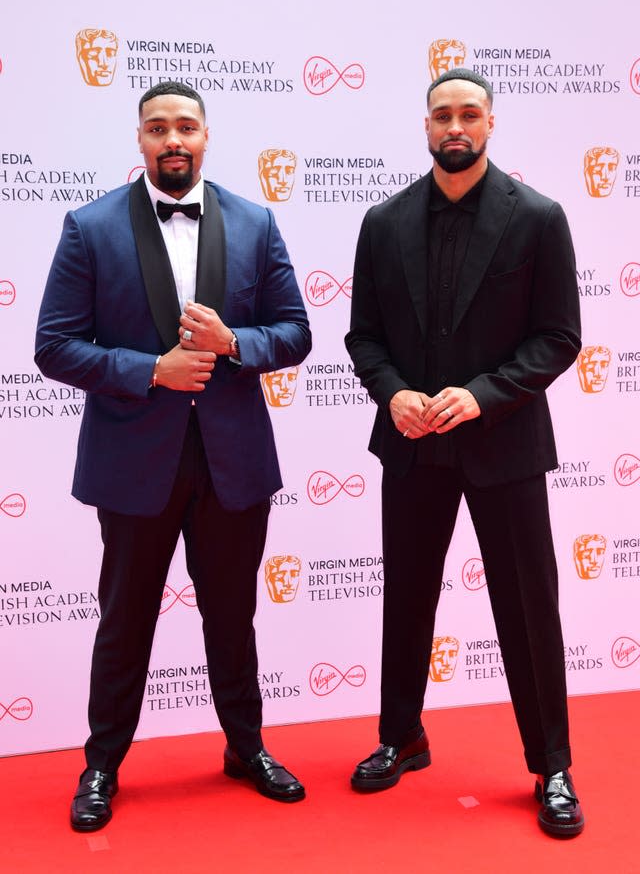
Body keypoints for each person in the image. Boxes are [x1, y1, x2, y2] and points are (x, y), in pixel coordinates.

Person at [35, 81, 312, 832]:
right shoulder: (89, 227)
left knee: (233, 616)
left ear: (206, 134)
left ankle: (245, 748)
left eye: (185, 126)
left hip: (234, 466)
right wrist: (149, 370)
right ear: (140, 140)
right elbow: (53, 346)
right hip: (134, 464)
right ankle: (101, 765)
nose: (173, 140)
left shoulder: (255, 222)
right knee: (124, 620)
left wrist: (235, 345)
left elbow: (295, 333)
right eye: (157, 129)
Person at [345, 68, 584, 837]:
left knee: (527, 607)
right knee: (407, 598)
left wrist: (483, 394)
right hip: (412, 444)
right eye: (443, 114)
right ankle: (401, 737)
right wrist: (393, 393)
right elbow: (365, 337)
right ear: (425, 125)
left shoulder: (539, 217)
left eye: (469, 114)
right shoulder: (382, 222)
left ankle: (552, 767)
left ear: (490, 122)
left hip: (504, 444)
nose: (456, 126)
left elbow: (559, 338)